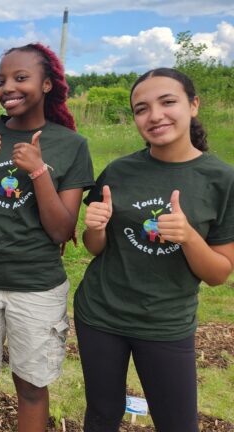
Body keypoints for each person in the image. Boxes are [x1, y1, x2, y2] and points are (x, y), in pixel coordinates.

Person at [76, 67, 234, 431]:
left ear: (193, 105)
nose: (155, 115)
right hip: (100, 314)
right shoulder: (119, 170)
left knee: (177, 423)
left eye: (167, 102)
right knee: (101, 415)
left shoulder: (220, 180)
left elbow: (218, 274)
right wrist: (95, 228)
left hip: (166, 323)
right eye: (141, 108)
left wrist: (189, 236)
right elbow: (94, 248)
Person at [0, 43, 94, 431]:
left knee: (31, 386)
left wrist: (38, 171)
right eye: (1, 80)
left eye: (20, 78)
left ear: (47, 84)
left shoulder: (71, 145)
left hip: (36, 284)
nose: (7, 87)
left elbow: (62, 230)